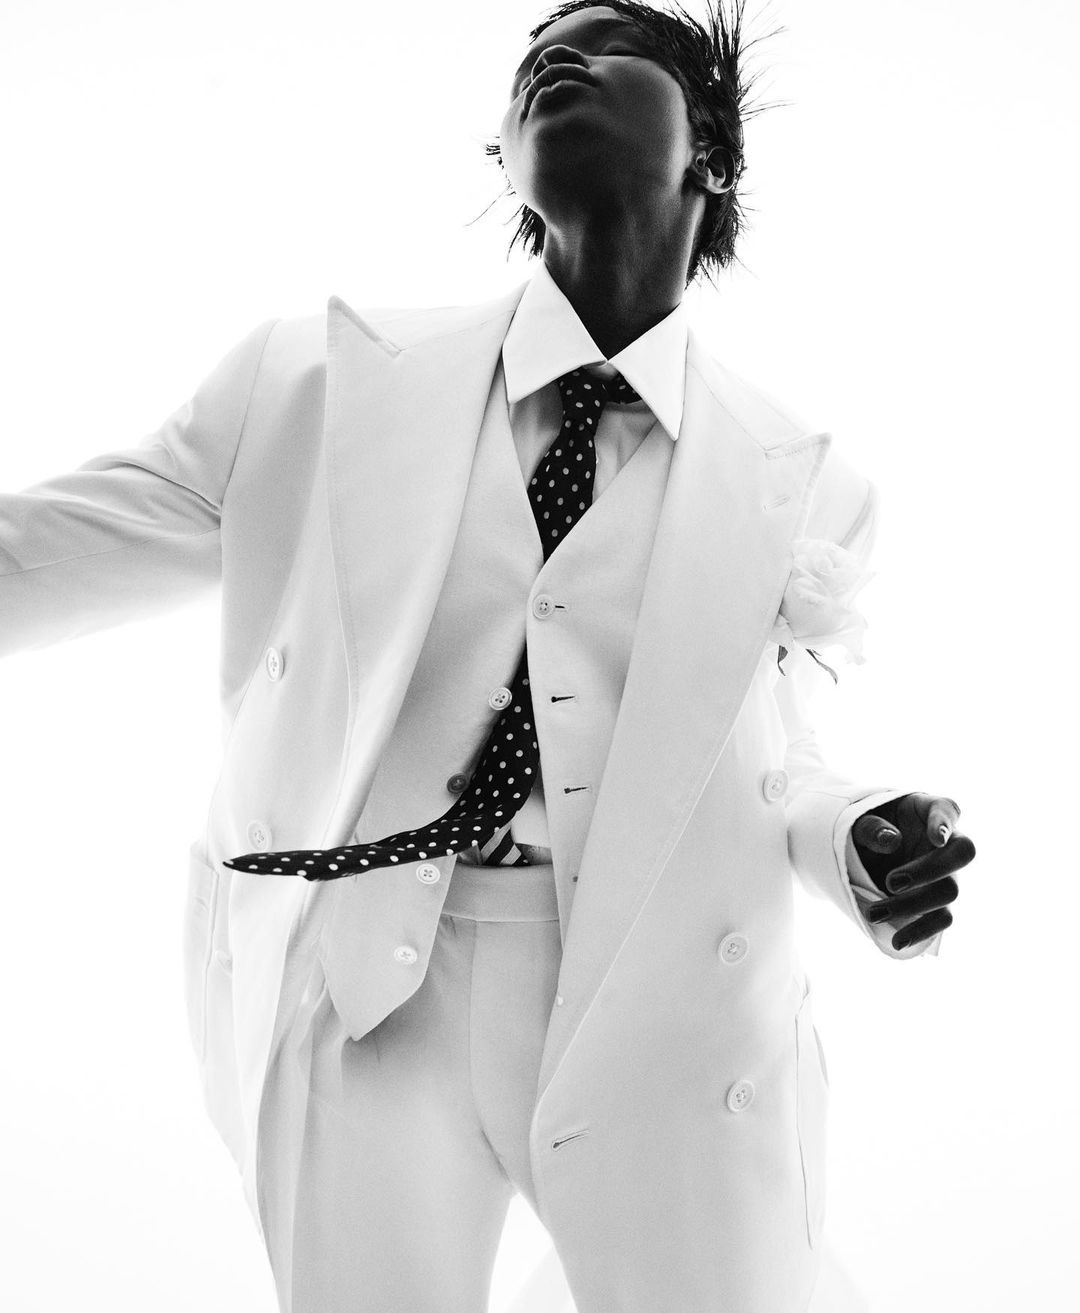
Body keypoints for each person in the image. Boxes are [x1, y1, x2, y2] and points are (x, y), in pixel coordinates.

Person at [0, 2, 976, 1310]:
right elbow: (39, 552)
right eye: (531, 65)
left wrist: (855, 834)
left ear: (710, 150)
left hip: (659, 1000)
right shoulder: (313, 379)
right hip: (364, 989)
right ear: (509, 164)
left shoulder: (806, 486)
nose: (553, 60)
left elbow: (768, 762)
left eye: (610, 45)